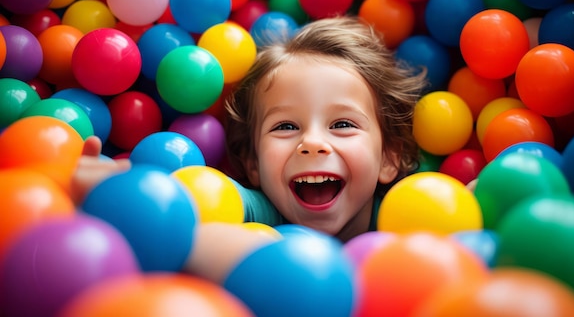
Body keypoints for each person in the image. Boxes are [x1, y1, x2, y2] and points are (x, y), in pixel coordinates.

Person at [71, 16, 428, 283]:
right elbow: (201, 203)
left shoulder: (414, 216)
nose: (313, 143)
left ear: (389, 157)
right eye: (286, 126)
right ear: (254, 164)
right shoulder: (260, 212)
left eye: (342, 124)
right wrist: (126, 199)